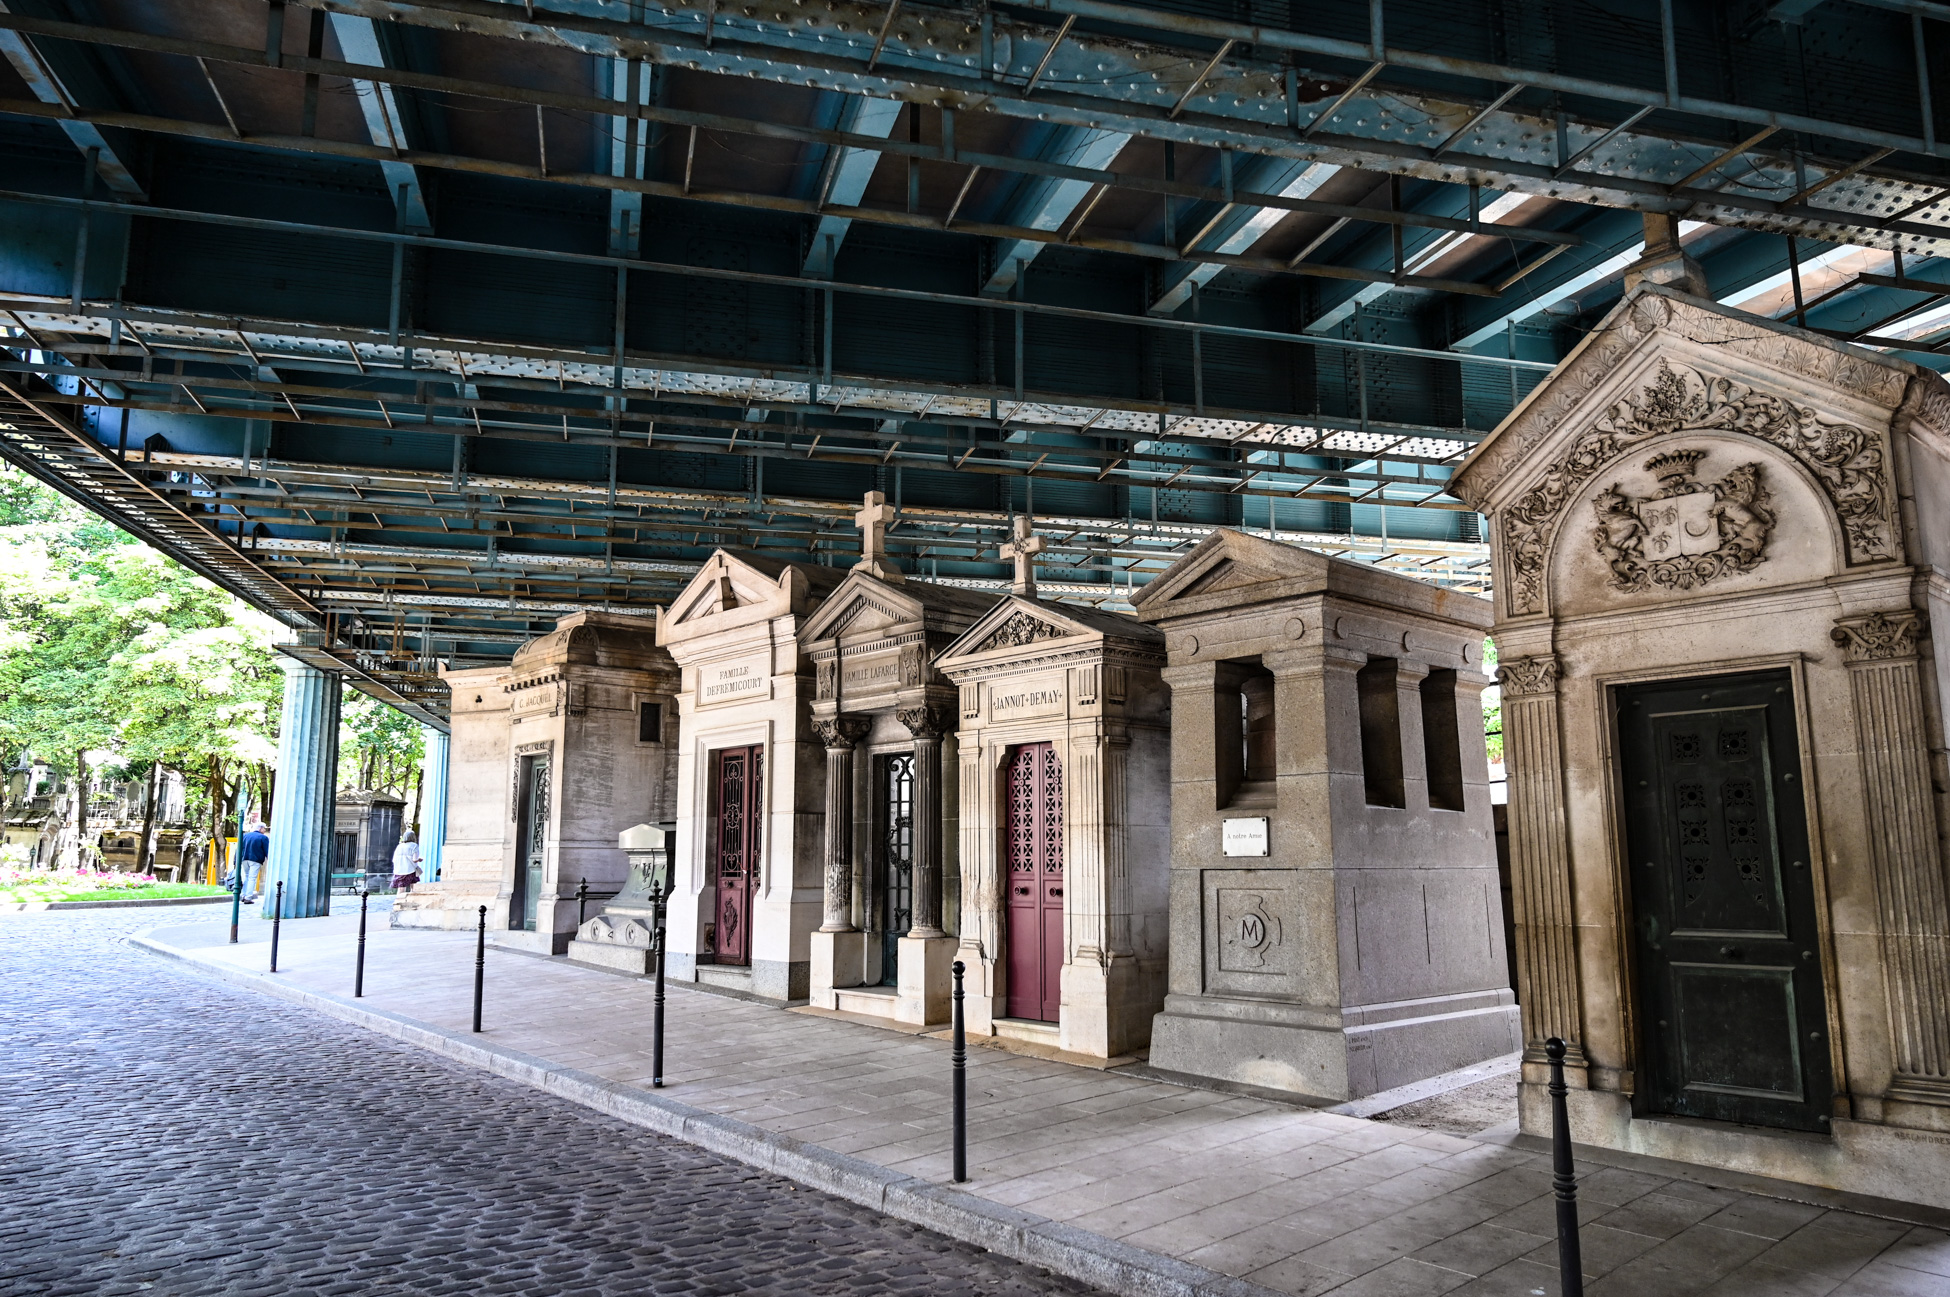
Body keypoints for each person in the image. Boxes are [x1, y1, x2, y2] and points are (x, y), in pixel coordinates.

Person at [236, 819, 270, 903]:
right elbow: (267, 850)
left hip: (244, 859)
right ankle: (248, 897)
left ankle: (243, 895)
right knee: (252, 878)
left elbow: (239, 848)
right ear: (260, 828)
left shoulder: (245, 836)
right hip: (255, 860)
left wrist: (236, 859)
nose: (265, 830)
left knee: (247, 877)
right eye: (264, 828)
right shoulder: (263, 837)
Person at [390, 829, 422, 894]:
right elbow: (414, 859)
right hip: (410, 869)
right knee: (413, 887)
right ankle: (411, 900)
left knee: (401, 888)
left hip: (399, 870)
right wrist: (419, 859)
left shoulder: (399, 846)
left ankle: (399, 901)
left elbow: (394, 859)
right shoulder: (414, 846)